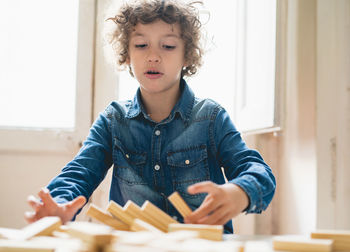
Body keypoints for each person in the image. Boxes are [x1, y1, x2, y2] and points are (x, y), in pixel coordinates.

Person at [25, 0, 276, 233]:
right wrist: (56, 205)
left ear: (187, 54)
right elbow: (77, 175)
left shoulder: (211, 117)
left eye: (167, 46)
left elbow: (258, 172)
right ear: (126, 54)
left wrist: (240, 192)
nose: (153, 56)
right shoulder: (112, 121)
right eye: (141, 45)